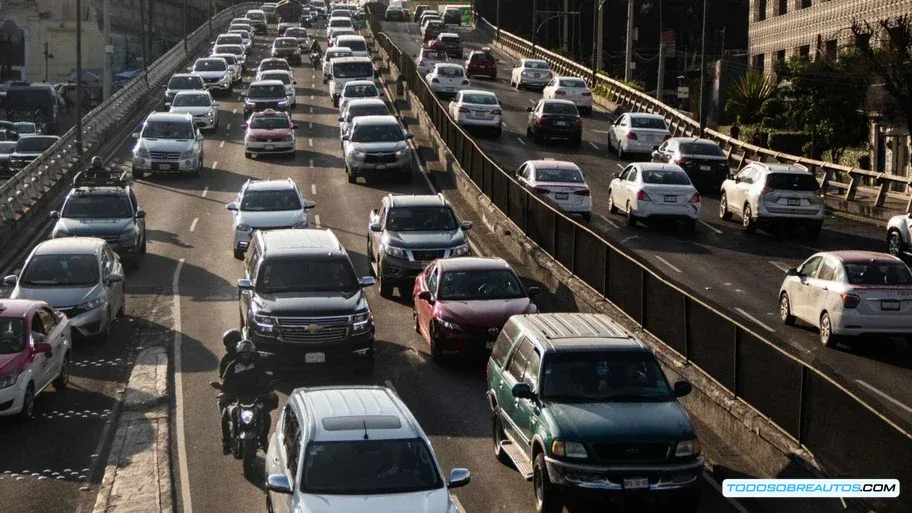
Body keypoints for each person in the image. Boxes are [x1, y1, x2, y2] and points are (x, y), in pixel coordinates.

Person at [219, 340, 274, 455]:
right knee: (225, 414)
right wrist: (224, 391)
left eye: (248, 354)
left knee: (265, 414)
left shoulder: (258, 365)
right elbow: (226, 381)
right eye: (243, 354)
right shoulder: (232, 366)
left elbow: (265, 379)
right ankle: (226, 442)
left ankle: (263, 438)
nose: (246, 356)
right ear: (239, 354)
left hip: (255, 397)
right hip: (237, 398)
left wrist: (269, 390)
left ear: (252, 354)